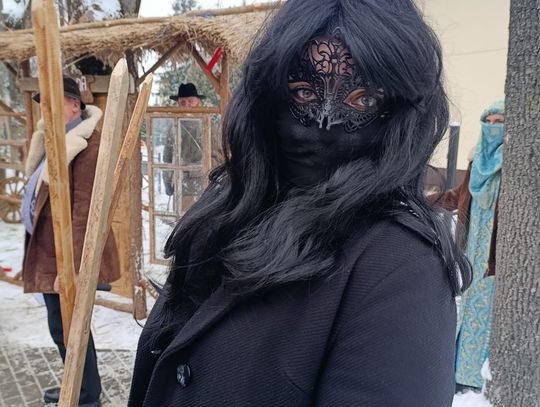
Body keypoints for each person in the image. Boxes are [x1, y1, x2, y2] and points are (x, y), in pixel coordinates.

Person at [129, 1, 472, 405]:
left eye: (361, 100)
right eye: (305, 93)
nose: (325, 124)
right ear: (269, 96)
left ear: (399, 112)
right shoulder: (227, 207)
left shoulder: (401, 267)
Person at [21, 77, 120, 407]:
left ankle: (86, 396)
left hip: (67, 256)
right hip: (51, 251)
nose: (46, 110)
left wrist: (73, 269)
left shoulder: (86, 146)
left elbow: (85, 213)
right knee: (62, 328)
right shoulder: (55, 140)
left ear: (75, 105)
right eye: (43, 105)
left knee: (70, 329)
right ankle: (76, 387)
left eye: (54, 103)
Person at [432, 101, 505, 392]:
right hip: (473, 249)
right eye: (489, 121)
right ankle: (461, 372)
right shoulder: (477, 162)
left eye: (500, 122)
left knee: (489, 314)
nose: (493, 127)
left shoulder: (516, 165)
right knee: (468, 312)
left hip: (495, 257)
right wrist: (428, 202)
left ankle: (478, 378)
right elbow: (459, 195)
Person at [162, 83, 205, 210]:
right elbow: (167, 158)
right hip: (179, 188)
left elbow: (216, 158)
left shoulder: (206, 126)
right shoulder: (173, 127)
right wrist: (168, 181)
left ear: (198, 102)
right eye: (182, 102)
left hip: (200, 189)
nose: (186, 105)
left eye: (190, 101)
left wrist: (192, 173)